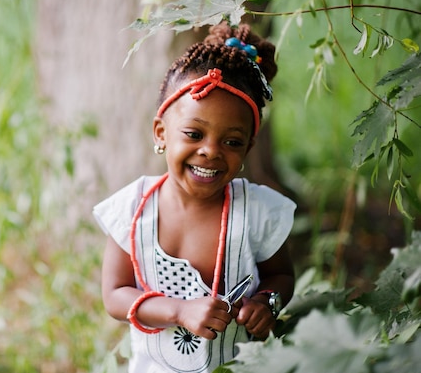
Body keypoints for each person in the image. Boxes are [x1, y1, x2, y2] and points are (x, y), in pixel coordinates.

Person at [93, 21, 296, 372]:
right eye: (193, 134)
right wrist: (178, 310)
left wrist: (267, 303)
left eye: (232, 142)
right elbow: (115, 295)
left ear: (248, 147)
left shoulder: (257, 212)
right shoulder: (132, 209)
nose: (210, 151)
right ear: (161, 133)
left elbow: (282, 278)